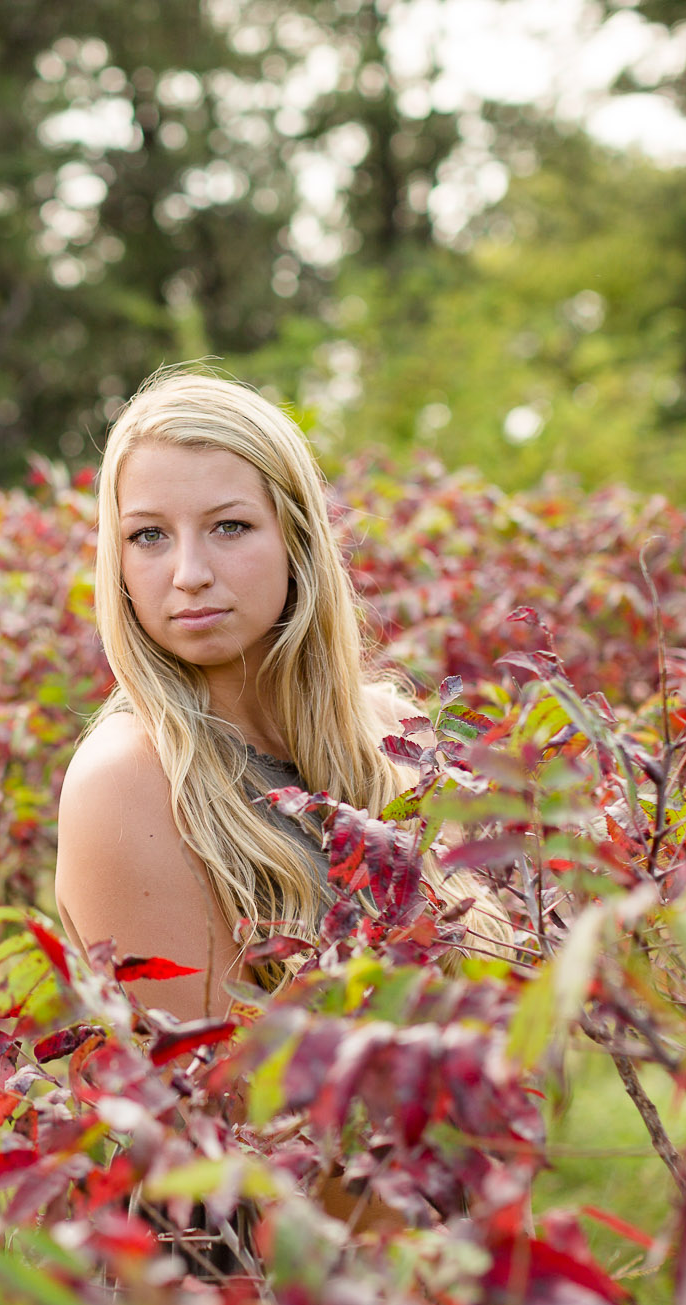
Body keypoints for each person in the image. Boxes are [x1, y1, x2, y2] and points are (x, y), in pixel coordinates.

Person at [55, 370, 425, 1023]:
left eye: (228, 526)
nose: (189, 574)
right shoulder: (129, 780)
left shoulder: (395, 730)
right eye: (149, 535)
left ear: (296, 539)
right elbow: (225, 1104)